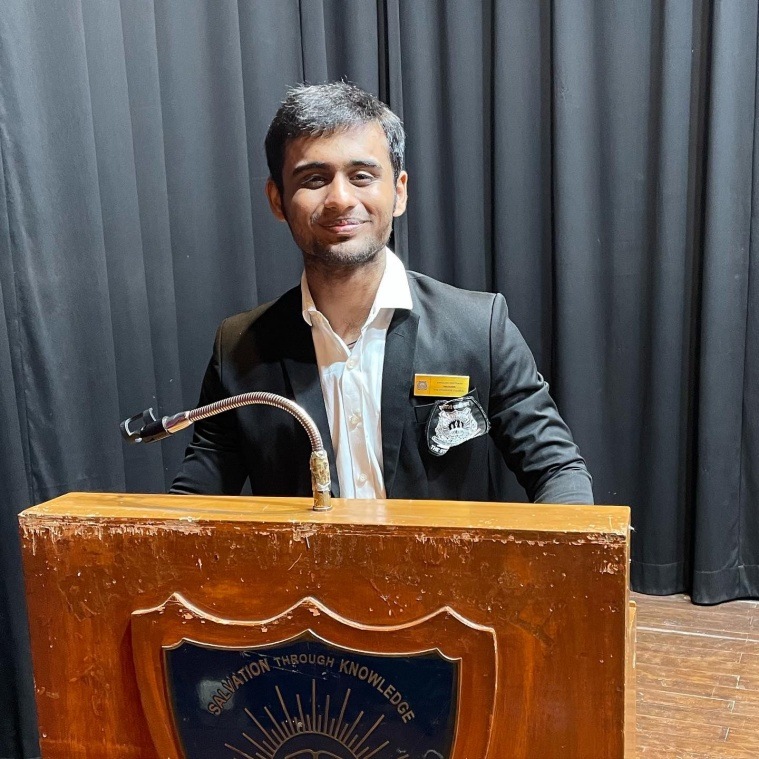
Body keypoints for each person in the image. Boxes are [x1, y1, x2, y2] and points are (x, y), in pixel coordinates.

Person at [171, 82, 593, 504]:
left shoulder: (479, 328)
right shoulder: (240, 348)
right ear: (277, 199)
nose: (340, 199)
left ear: (399, 191)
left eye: (361, 176)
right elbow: (193, 504)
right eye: (314, 179)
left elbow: (557, 470)